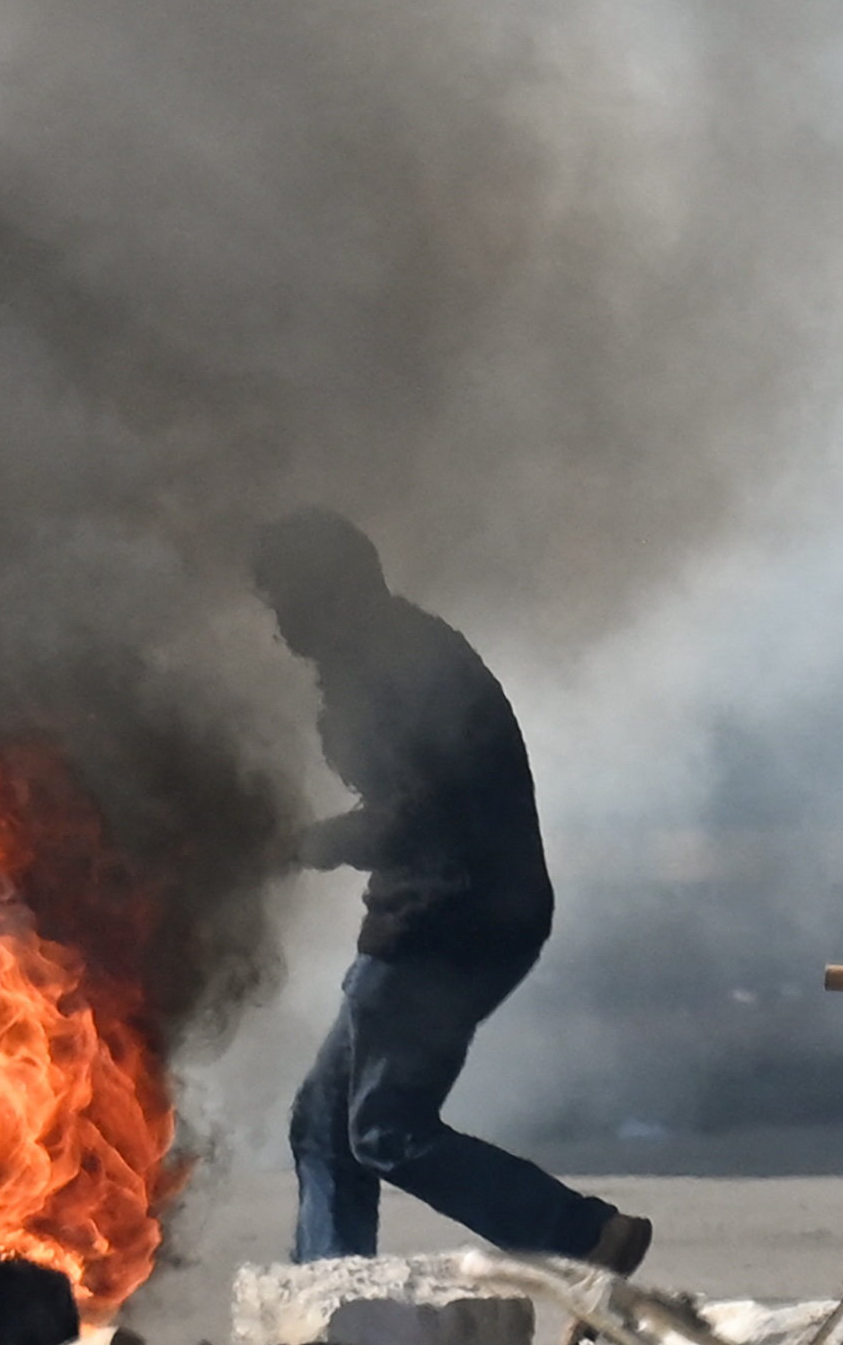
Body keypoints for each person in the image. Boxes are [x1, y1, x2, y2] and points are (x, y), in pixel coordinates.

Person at [252, 509, 650, 1277]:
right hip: (455, 913)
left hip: (449, 922)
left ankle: (582, 1233)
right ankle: (331, 1313)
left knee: (383, 1130)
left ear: (326, 589)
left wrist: (305, 844)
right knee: (324, 1128)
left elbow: (418, 817)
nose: (281, 624)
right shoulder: (384, 654)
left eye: (286, 600)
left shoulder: (392, 666)